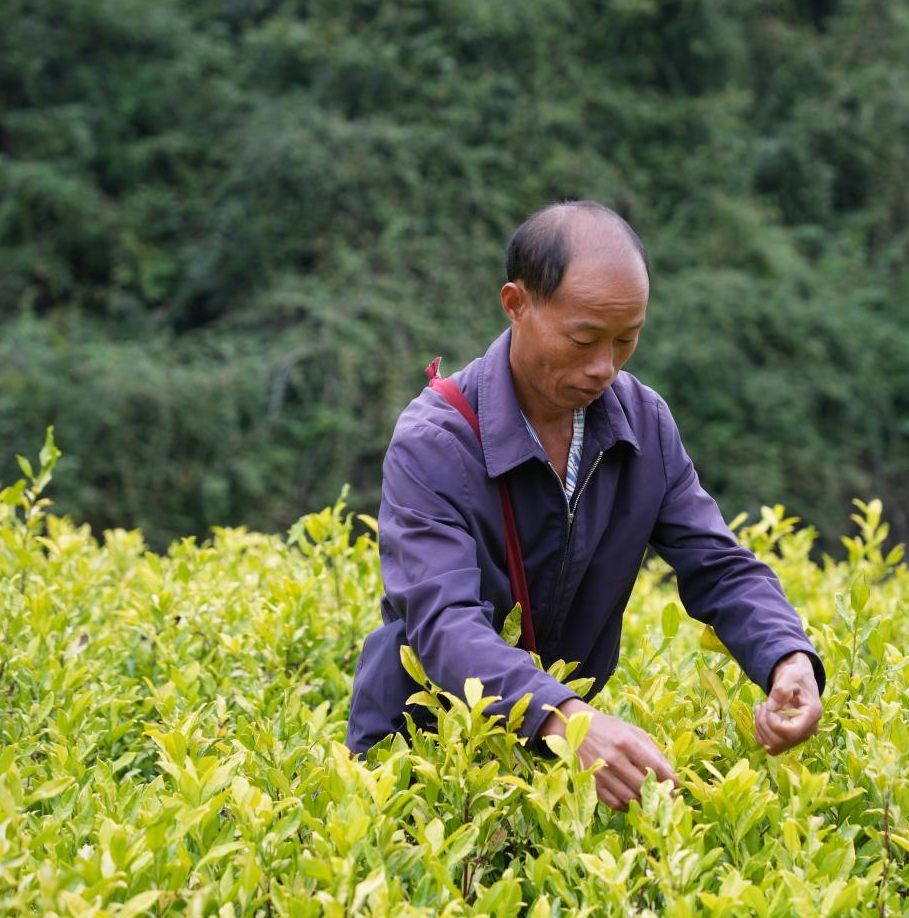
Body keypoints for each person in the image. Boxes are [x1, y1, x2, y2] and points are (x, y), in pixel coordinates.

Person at [346, 200, 825, 811]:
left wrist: (787, 658)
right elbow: (443, 624)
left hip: (562, 756)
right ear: (516, 304)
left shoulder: (642, 421)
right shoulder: (436, 441)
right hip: (421, 756)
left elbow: (717, 564)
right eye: (583, 339)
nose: (605, 367)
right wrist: (565, 717)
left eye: (627, 340)